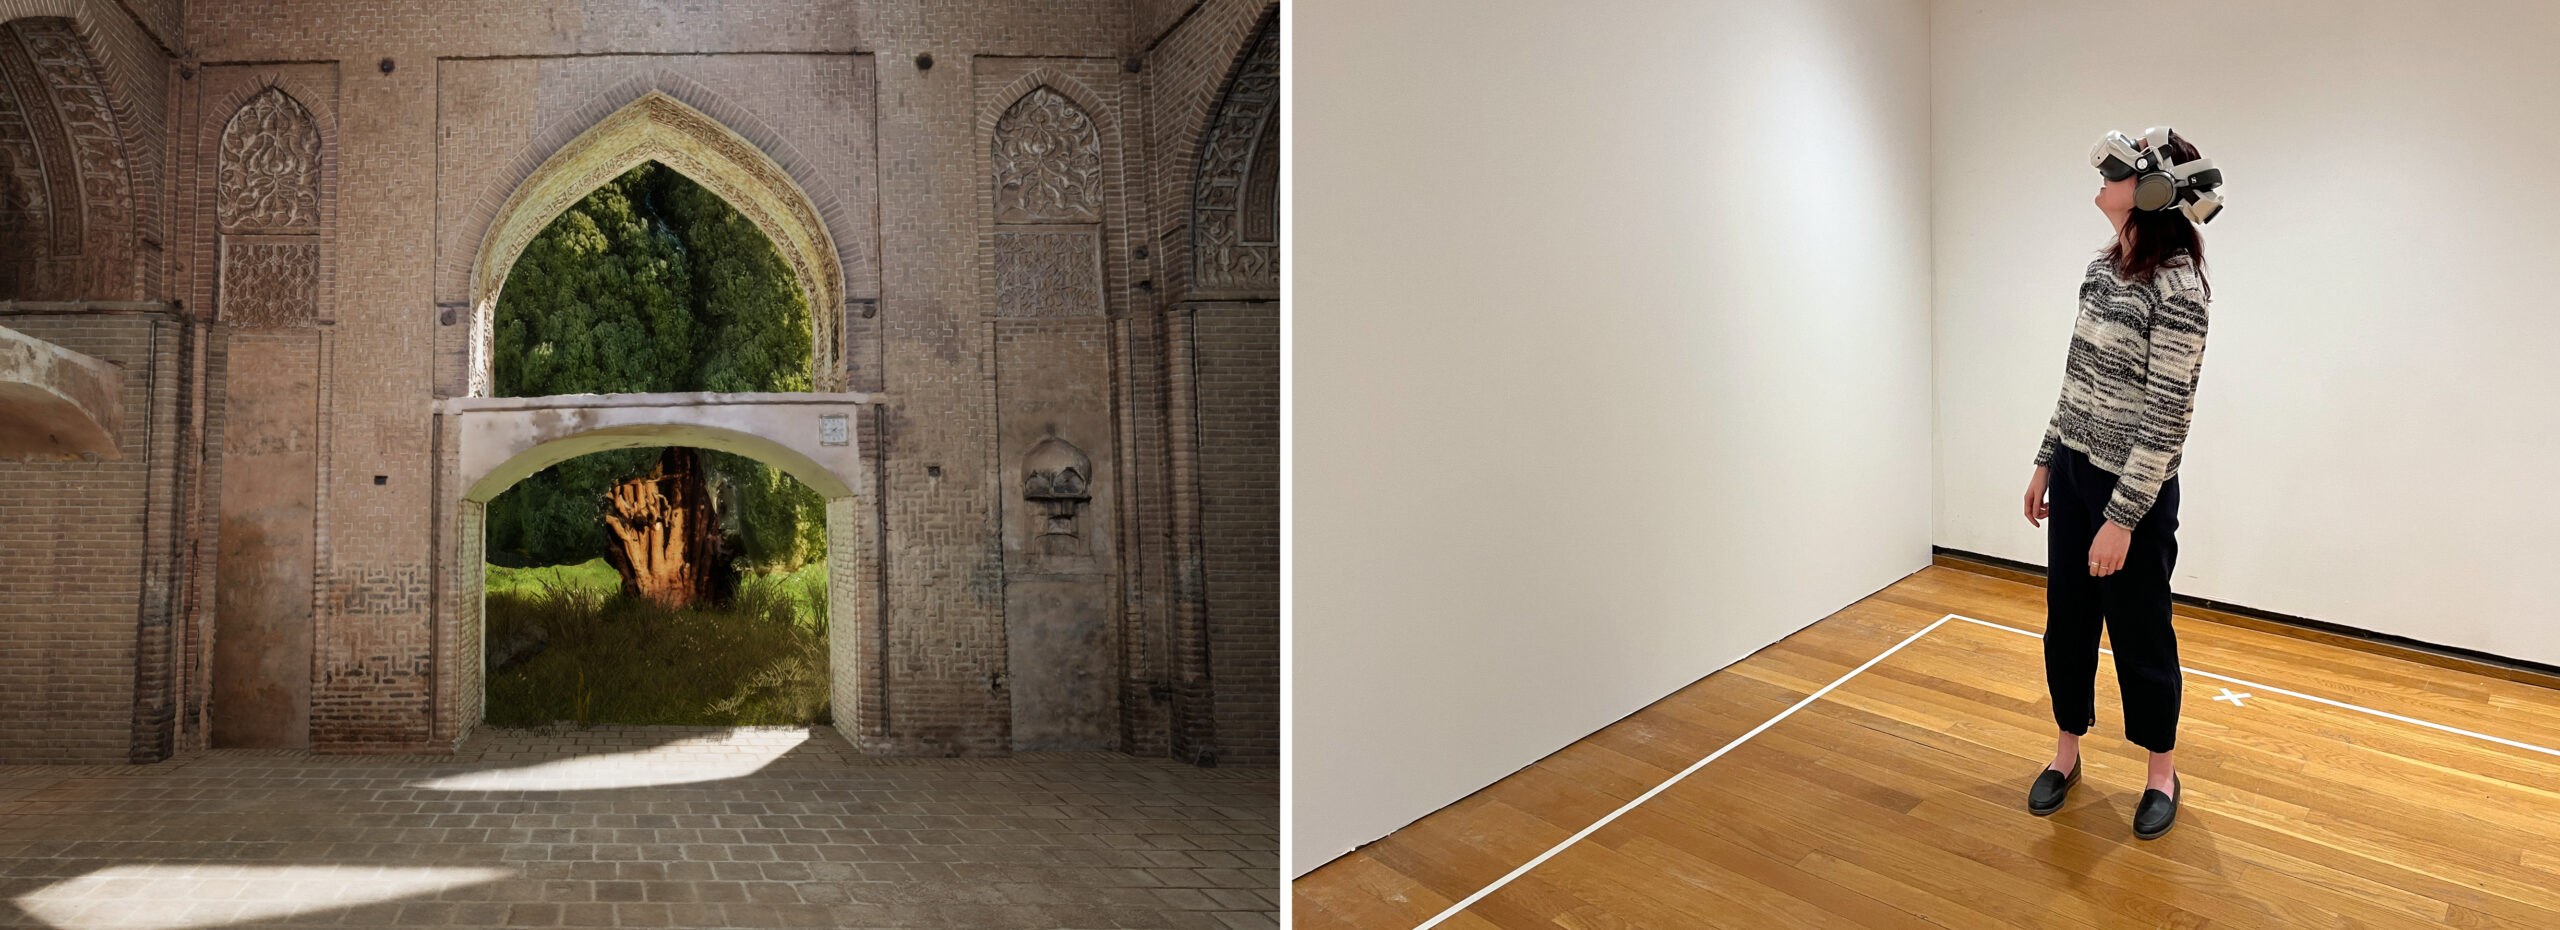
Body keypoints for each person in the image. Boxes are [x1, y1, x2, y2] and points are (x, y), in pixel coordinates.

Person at [2021, 127, 2219, 840]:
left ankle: (2160, 771)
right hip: (2075, 473)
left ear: (2153, 191)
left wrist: (2123, 517)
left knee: (2140, 632)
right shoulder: (2101, 270)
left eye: (2114, 171)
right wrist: (2048, 457)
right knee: (2067, 623)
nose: (2100, 180)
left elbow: (2168, 419)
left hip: (2133, 493)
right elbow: (2076, 377)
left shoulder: (2181, 289)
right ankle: (2067, 750)